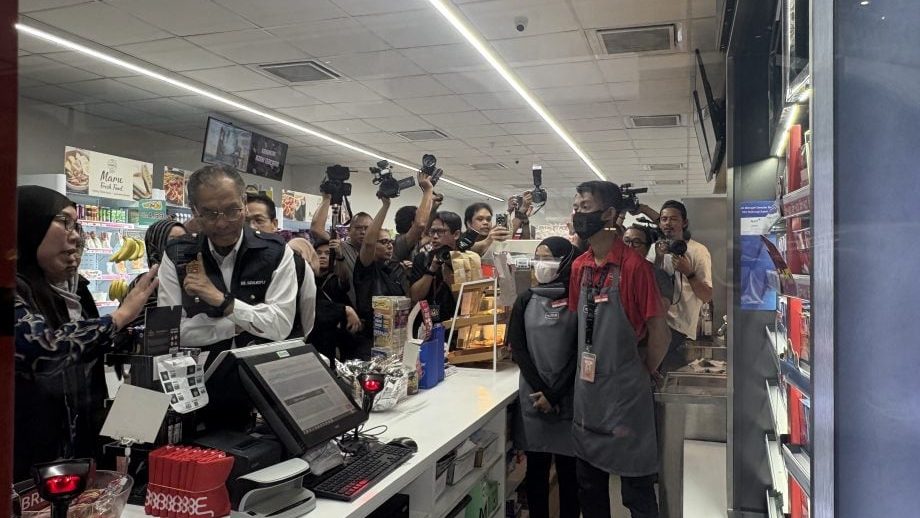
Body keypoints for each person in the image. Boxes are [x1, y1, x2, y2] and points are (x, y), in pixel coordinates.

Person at [13, 185, 160, 480]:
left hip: (67, 457)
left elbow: (89, 357)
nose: (76, 236)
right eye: (64, 222)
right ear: (29, 225)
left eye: (77, 226)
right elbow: (44, 351)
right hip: (20, 463)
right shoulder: (12, 288)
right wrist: (119, 317)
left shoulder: (73, 290)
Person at [568, 181, 670, 518]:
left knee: (637, 491)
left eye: (585, 207)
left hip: (625, 397)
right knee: (589, 489)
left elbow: (659, 333)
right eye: (576, 207)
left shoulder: (634, 267)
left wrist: (640, 371)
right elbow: (578, 320)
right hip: (588, 395)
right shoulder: (580, 266)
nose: (577, 214)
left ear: (609, 214)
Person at [158, 165, 298, 366]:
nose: (222, 223)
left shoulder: (276, 251)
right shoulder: (177, 254)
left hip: (262, 375)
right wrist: (237, 325)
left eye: (232, 210)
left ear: (244, 203)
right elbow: (169, 332)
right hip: (201, 378)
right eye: (210, 214)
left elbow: (280, 326)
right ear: (194, 210)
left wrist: (222, 301)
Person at [507, 237, 581, 518]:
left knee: (570, 475)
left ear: (565, 261)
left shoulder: (578, 298)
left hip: (568, 396)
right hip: (534, 396)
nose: (541, 264)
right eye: (538, 258)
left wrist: (555, 394)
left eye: (548, 258)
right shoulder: (526, 299)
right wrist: (544, 391)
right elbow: (519, 348)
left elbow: (580, 352)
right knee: (536, 472)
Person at [639, 200, 714, 373]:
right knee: (649, 373)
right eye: (664, 219)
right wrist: (658, 258)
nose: (668, 223)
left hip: (679, 327)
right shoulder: (655, 249)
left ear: (684, 222)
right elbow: (649, 284)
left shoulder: (698, 251)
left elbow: (706, 296)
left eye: (673, 219)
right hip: (655, 320)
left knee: (657, 373)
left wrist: (689, 272)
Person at [246, 192, 317, 339]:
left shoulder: (297, 264)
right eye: (246, 221)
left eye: (259, 220)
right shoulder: (231, 260)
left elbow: (308, 316)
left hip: (283, 345)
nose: (252, 227)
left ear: (274, 224)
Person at [353, 196, 407, 359]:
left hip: (395, 339)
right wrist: (385, 205)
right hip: (371, 342)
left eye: (390, 242)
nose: (389, 246)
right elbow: (368, 243)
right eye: (383, 242)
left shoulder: (391, 270)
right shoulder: (366, 268)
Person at [310, 193, 372, 306]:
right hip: (349, 308)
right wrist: (327, 198)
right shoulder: (340, 246)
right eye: (358, 228)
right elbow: (316, 228)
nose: (363, 232)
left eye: (367, 228)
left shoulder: (379, 250)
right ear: (349, 231)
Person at [308, 238, 363, 362]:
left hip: (336, 337)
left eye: (327, 253)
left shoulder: (334, 279)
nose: (322, 256)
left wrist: (339, 255)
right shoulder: (308, 279)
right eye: (318, 253)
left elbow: (343, 280)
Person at [409, 211, 463, 325]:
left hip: (456, 325)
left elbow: (467, 303)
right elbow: (415, 297)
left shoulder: (464, 259)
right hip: (426, 325)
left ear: (456, 234)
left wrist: (450, 280)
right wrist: (432, 269)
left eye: (441, 232)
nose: (434, 236)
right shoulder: (422, 258)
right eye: (432, 231)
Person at [392, 172, 436, 263]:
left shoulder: (413, 243)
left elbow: (426, 234)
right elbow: (420, 224)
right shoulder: (401, 243)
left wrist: (433, 208)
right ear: (413, 223)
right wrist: (428, 189)